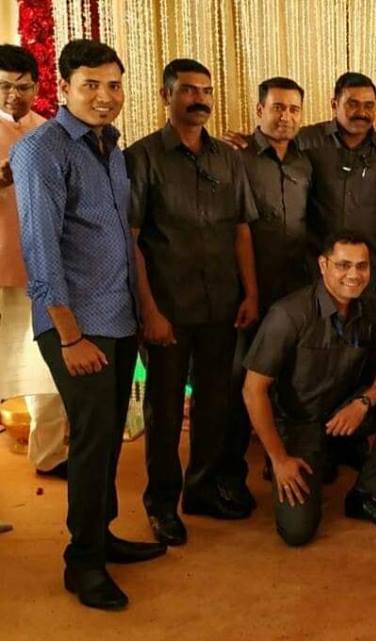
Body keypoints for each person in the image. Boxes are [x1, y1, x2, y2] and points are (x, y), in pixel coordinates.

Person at [12, 39, 166, 611]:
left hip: (118, 315)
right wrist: (70, 334)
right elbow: (40, 248)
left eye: (114, 85)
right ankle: (83, 562)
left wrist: (143, 309)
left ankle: (102, 536)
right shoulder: (41, 151)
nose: (105, 97)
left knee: (106, 442)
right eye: (91, 86)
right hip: (78, 324)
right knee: (92, 440)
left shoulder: (111, 148)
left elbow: (123, 239)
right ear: (66, 88)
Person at [126, 58, 260, 546]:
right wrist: (150, 311)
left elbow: (241, 228)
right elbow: (132, 239)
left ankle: (201, 490)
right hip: (169, 307)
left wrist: (250, 292)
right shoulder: (141, 158)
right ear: (167, 96)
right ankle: (162, 503)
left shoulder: (228, 159)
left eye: (205, 90)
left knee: (215, 403)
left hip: (222, 303)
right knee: (163, 411)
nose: (198, 98)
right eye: (187, 90)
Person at [242, 231, 376, 546]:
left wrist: (363, 403)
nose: (354, 275)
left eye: (361, 266)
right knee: (297, 531)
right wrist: (280, 458)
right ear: (323, 265)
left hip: (345, 411)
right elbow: (252, 390)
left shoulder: (373, 309)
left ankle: (365, 495)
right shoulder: (288, 314)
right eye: (343, 265)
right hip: (298, 423)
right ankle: (299, 460)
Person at [219, 76, 313, 513]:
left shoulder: (305, 162)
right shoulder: (236, 157)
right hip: (250, 292)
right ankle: (228, 475)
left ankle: (282, 457)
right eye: (277, 108)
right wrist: (250, 292)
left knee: (292, 377)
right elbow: (235, 228)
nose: (285, 117)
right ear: (259, 111)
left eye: (293, 109)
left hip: (296, 290)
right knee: (242, 380)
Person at [0, 44, 68, 480]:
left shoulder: (48, 131)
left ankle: (50, 455)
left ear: (38, 87)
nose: (14, 96)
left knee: (50, 370)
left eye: (23, 87)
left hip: (42, 271)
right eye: (5, 86)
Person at [301, 72, 376, 309]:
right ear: (334, 104)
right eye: (353, 103)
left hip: (371, 271)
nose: (361, 112)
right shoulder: (306, 142)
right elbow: (273, 145)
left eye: (369, 105)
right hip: (317, 268)